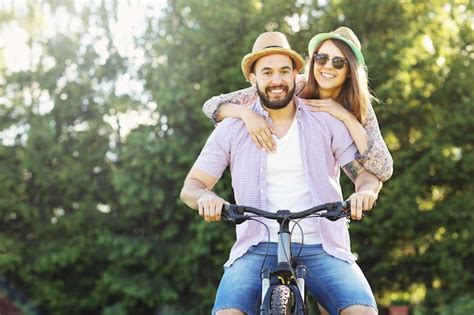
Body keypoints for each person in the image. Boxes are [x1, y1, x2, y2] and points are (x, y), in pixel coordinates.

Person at [181, 31, 380, 315]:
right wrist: (206, 198)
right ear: (253, 79)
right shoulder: (233, 128)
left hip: (322, 245)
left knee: (362, 312)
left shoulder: (324, 120)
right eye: (267, 72)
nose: (276, 80)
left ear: (296, 74)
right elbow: (191, 187)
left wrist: (365, 192)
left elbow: (365, 174)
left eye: (284, 71)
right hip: (256, 245)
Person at [203, 26, 393, 182]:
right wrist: (246, 114)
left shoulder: (358, 105)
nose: (327, 66)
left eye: (338, 62)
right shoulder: (293, 85)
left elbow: (383, 169)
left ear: (350, 70)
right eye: (321, 58)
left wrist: (347, 117)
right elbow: (211, 105)